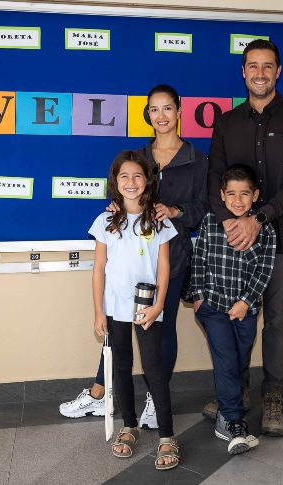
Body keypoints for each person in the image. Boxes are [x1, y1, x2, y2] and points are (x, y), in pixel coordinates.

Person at [59, 84, 208, 430]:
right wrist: (116, 209)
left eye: (167, 108)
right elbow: (121, 190)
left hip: (170, 256)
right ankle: (102, 392)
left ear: (179, 110)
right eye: (154, 110)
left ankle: (156, 401)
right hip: (130, 257)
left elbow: (206, 208)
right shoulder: (139, 158)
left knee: (160, 327)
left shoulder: (198, 160)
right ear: (148, 115)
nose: (161, 116)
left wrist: (176, 210)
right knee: (119, 323)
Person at [204, 39, 283, 437]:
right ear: (243, 72)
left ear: (278, 71)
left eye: (268, 66)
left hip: (281, 238)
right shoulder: (226, 122)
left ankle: (274, 394)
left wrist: (259, 218)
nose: (260, 73)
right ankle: (236, 392)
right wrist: (233, 224)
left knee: (277, 320)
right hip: (234, 241)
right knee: (236, 315)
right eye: (253, 66)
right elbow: (213, 178)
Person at [89, 150, 180, 470]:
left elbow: (164, 265)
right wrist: (99, 313)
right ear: (115, 181)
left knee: (154, 368)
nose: (131, 182)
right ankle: (129, 427)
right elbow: (99, 268)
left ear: (148, 181)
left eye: (138, 176)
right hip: (115, 308)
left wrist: (158, 305)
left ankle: (167, 436)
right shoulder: (105, 221)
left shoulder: (158, 220)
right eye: (124, 176)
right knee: (121, 368)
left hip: (148, 307)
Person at [189, 164, 276, 455]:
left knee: (238, 361)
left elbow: (264, 271)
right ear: (222, 196)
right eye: (232, 194)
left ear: (256, 196)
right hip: (213, 306)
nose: (238, 201)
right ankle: (234, 424)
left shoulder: (266, 231)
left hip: (245, 310)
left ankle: (227, 410)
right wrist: (199, 298)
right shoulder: (211, 222)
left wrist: (246, 302)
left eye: (244, 194)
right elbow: (198, 259)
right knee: (226, 360)